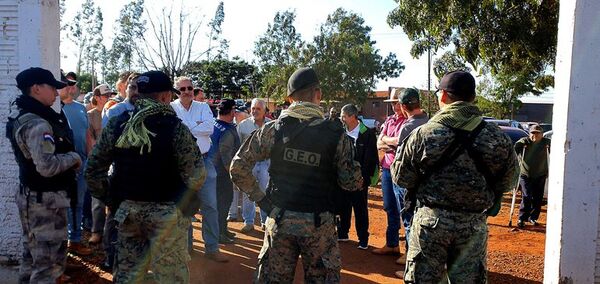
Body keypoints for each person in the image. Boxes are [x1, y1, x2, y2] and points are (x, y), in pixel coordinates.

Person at [230, 67, 363, 283]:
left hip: (280, 220)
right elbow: (351, 183)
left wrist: (262, 200)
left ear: (290, 98)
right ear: (318, 94)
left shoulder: (273, 130)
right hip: (319, 226)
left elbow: (237, 167)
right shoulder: (336, 134)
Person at [391, 70, 518, 283]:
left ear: (443, 96)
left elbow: (401, 177)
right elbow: (509, 181)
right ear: (473, 98)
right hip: (473, 226)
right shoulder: (498, 137)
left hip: (430, 225)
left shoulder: (423, 134)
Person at [85, 70, 206, 283]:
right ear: (165, 97)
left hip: (128, 213)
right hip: (167, 215)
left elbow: (93, 170)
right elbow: (197, 175)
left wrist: (112, 201)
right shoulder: (175, 128)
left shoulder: (118, 124)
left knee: (129, 276)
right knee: (170, 277)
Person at [7, 67, 82, 283]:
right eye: (53, 88)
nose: (57, 93)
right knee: (48, 265)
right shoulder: (39, 124)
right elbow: (47, 167)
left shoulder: (22, 115)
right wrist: (74, 158)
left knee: (32, 257)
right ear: (36, 88)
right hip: (44, 201)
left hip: (34, 197)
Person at [171, 77, 227, 262]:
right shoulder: (171, 108)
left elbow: (210, 128)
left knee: (210, 205)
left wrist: (185, 129)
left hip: (204, 161)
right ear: (176, 91)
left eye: (190, 88)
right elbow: (173, 132)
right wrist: (196, 127)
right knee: (184, 208)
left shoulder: (203, 107)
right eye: (182, 89)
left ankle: (212, 248)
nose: (187, 91)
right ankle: (186, 248)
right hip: (180, 165)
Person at [389, 87, 429, 277]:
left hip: (408, 184)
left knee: (408, 222)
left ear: (404, 106)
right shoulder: (430, 121)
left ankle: (411, 267)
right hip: (427, 185)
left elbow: (400, 160)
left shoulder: (407, 126)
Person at [59, 72, 93, 256]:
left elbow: (87, 136)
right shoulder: (57, 108)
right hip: (63, 166)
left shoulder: (81, 108)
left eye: (73, 85)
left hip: (82, 163)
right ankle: (63, 244)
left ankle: (76, 240)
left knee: (78, 203)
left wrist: (91, 159)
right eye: (67, 85)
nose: (71, 88)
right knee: (63, 204)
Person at [337, 104, 379, 249]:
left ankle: (363, 239)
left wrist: (365, 179)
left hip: (359, 180)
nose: (342, 119)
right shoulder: (341, 132)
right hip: (342, 179)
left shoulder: (367, 133)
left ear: (352, 116)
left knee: (360, 209)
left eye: (344, 116)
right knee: (343, 207)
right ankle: (342, 233)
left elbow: (371, 159)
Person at [372, 88, 406, 256]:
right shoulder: (390, 120)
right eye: (392, 103)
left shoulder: (409, 122)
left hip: (401, 171)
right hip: (386, 168)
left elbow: (401, 143)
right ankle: (392, 244)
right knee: (389, 207)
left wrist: (388, 142)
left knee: (405, 210)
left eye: (397, 102)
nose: (394, 106)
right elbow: (379, 143)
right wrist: (390, 143)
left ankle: (409, 251)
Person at [236, 98, 271, 233]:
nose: (255, 111)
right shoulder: (243, 125)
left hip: (265, 164)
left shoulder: (271, 125)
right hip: (248, 165)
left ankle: (265, 221)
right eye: (253, 109)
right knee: (248, 193)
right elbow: (238, 146)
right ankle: (248, 222)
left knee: (264, 192)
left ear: (264, 111)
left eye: (258, 109)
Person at [209, 99, 241, 243]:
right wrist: (232, 173)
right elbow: (226, 155)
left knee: (219, 204)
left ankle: (223, 230)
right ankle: (219, 234)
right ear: (232, 111)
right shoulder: (227, 130)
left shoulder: (214, 124)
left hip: (212, 171)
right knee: (223, 203)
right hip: (222, 173)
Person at [87, 84, 114, 245]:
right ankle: (96, 231)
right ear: (97, 97)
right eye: (105, 95)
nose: (109, 98)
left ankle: (110, 232)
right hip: (99, 160)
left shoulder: (113, 113)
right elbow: (89, 138)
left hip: (114, 159)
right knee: (97, 198)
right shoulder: (90, 115)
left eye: (110, 95)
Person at [515, 124, 550, 227]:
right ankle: (522, 218)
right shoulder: (525, 141)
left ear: (542, 134)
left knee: (538, 198)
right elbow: (515, 148)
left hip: (540, 174)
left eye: (537, 133)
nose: (535, 135)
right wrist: (521, 144)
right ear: (529, 133)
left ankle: (533, 218)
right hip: (525, 174)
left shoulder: (546, 143)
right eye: (533, 133)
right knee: (527, 195)